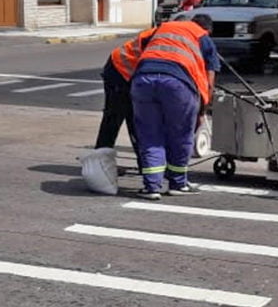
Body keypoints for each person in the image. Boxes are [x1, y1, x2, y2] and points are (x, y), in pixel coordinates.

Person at [130, 14, 220, 199]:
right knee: (180, 135)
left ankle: (151, 187)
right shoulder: (202, 36)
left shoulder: (163, 28)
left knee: (150, 135)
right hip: (177, 84)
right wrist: (203, 108)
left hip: (143, 80)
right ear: (207, 29)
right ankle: (178, 183)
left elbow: (138, 48)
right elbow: (209, 80)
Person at [94, 27, 157, 172]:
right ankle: (100, 162)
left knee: (137, 119)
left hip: (131, 73)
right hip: (119, 70)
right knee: (114, 118)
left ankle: (145, 163)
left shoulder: (169, 35)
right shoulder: (160, 38)